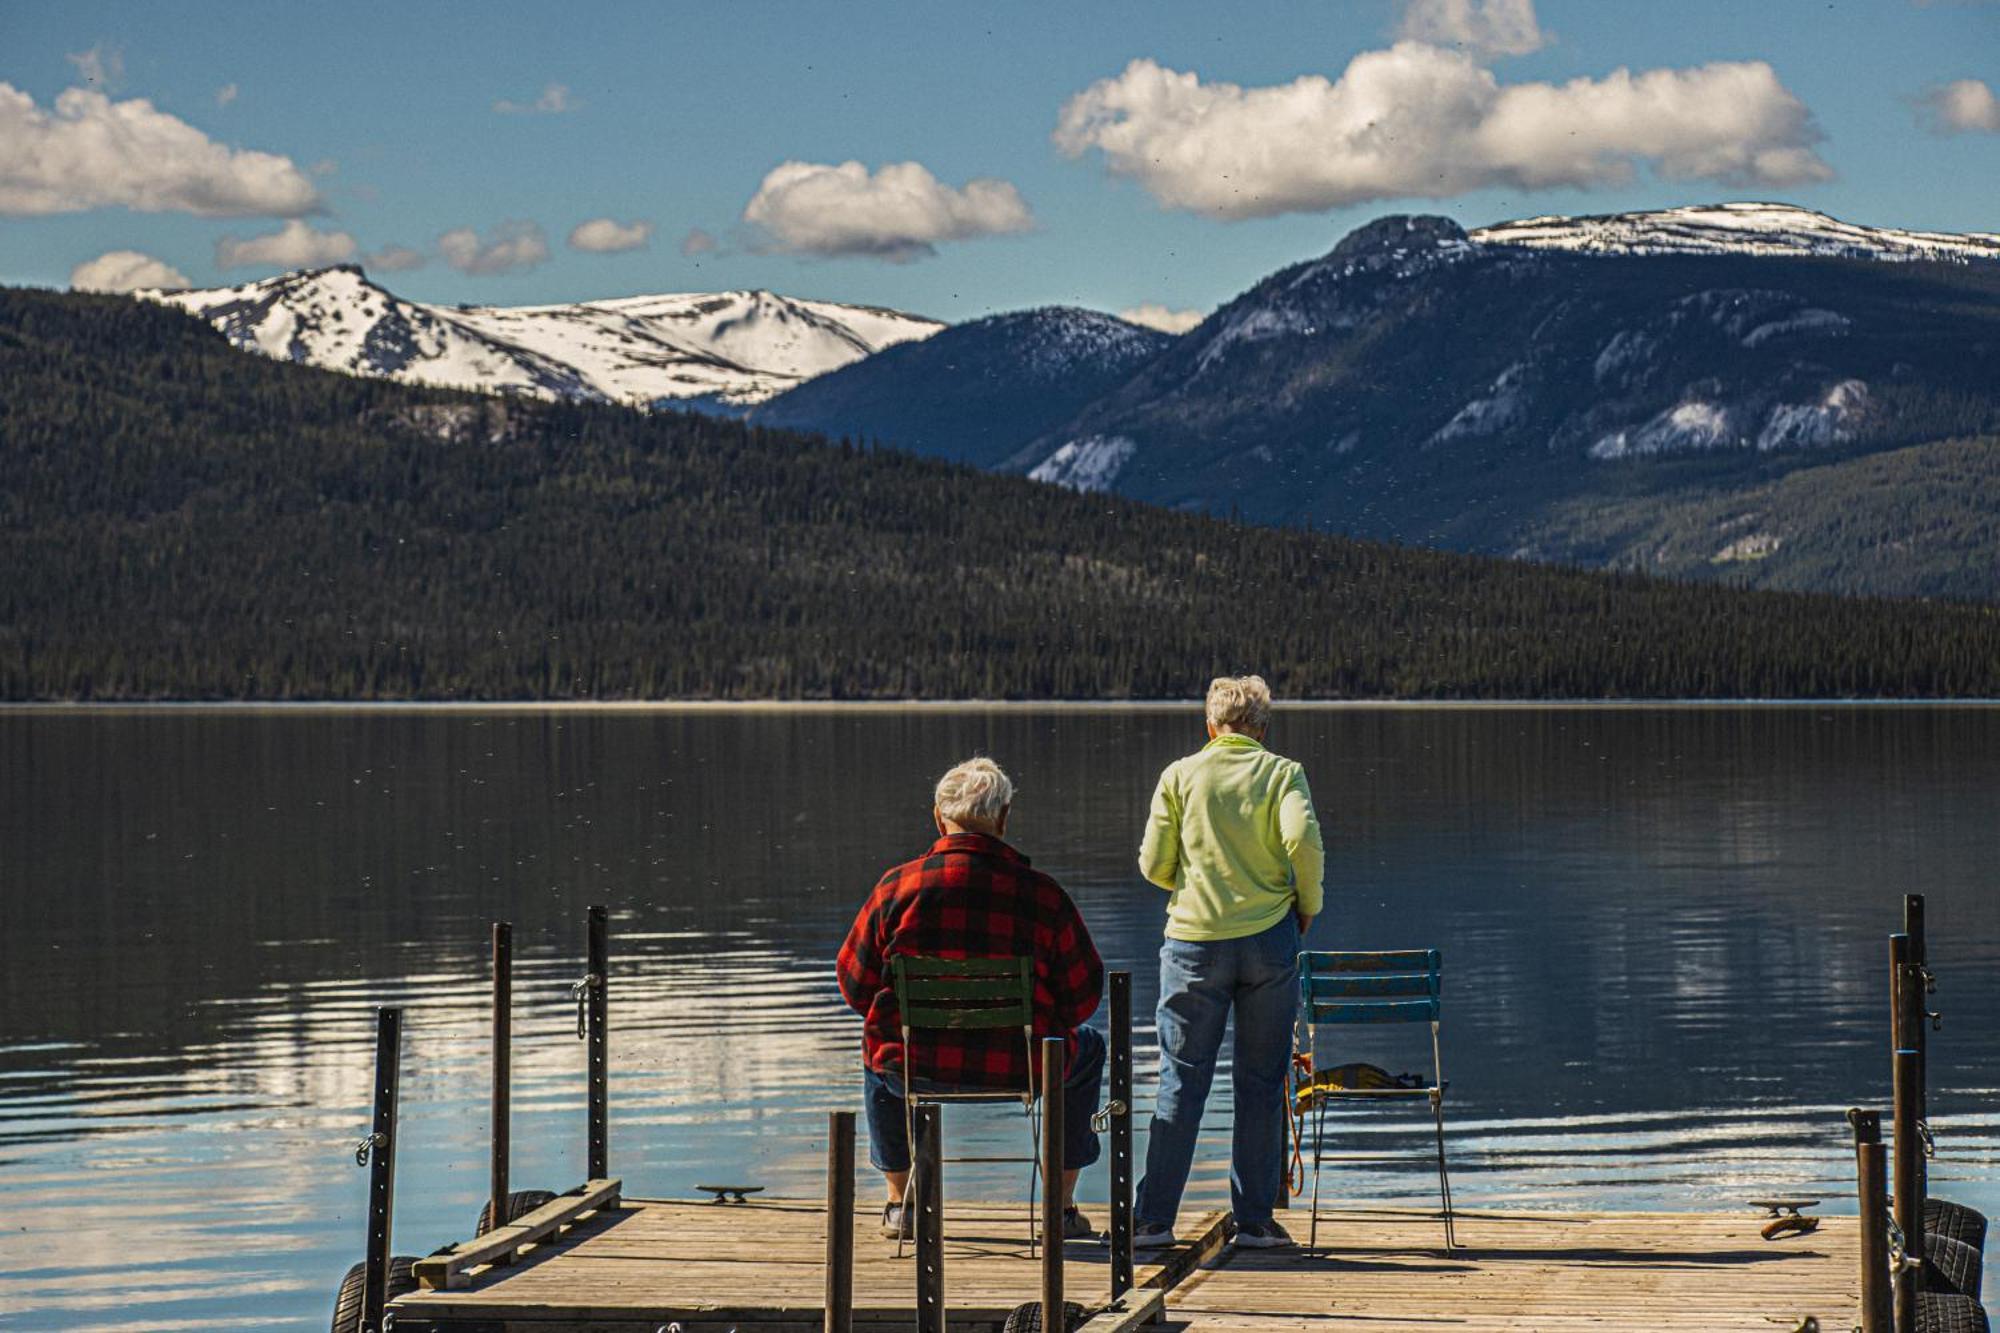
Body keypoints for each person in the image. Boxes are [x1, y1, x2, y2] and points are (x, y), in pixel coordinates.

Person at [837, 756, 1106, 1241]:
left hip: (915, 1064)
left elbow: (856, 987)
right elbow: (1083, 996)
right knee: (1087, 1047)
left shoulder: (896, 889)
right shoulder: (1043, 897)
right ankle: (1060, 1209)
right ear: (1004, 819)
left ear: (939, 819)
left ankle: (903, 1204)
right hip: (1022, 1065)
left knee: (878, 1046)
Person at [1133, 675, 1325, 1250]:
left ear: (1209, 726)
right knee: (1262, 1084)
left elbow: (1151, 864)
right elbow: (1303, 843)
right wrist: (1305, 907)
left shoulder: (1179, 775)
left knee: (1181, 1080)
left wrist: (1188, 885)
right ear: (1263, 729)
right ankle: (1255, 1222)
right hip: (1270, 940)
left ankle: (1152, 1222)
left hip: (1192, 943)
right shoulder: (1282, 772)